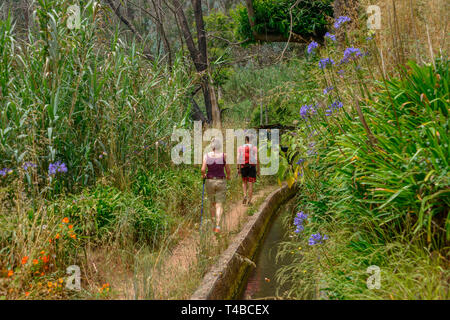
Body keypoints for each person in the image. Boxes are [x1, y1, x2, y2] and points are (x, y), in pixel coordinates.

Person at [201, 138, 231, 233]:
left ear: (212, 146)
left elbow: (203, 169)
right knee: (219, 204)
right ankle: (218, 226)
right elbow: (228, 169)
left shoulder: (206, 155)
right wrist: (229, 176)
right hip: (221, 181)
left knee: (212, 204)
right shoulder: (224, 156)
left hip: (209, 181)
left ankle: (214, 224)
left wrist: (203, 175)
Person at [237, 136, 260, 205]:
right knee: (250, 184)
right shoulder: (254, 148)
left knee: (244, 182)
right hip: (252, 167)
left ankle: (244, 195)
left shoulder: (240, 148)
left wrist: (238, 168)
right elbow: (256, 159)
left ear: (246, 140)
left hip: (243, 166)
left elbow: (238, 158)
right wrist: (258, 170)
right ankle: (249, 201)